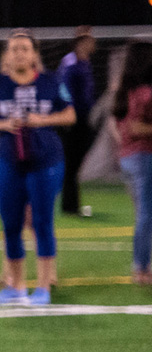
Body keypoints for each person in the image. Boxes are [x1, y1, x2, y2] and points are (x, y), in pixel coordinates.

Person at [0, 30, 75, 305]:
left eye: (25, 48)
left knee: (42, 222)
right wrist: (4, 124)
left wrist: (42, 120)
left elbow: (70, 114)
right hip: (9, 161)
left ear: (34, 54)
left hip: (45, 161)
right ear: (7, 54)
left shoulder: (51, 82)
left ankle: (43, 287)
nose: (19, 53)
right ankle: (15, 286)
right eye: (14, 48)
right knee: (10, 224)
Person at [113, 40, 152, 286]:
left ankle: (141, 266)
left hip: (128, 157)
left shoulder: (124, 89)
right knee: (146, 215)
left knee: (145, 214)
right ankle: (141, 267)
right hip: (143, 156)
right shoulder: (146, 92)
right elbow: (135, 126)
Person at [56, 26, 98, 216]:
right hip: (72, 122)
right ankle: (69, 206)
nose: (94, 42)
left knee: (75, 164)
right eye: (90, 39)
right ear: (81, 42)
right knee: (71, 163)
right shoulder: (70, 63)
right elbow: (63, 89)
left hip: (83, 120)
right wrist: (68, 112)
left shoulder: (85, 62)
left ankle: (72, 204)